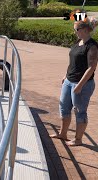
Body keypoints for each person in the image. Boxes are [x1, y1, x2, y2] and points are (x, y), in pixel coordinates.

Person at [50, 18, 98, 146]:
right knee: (64, 108)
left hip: (82, 84)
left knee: (79, 111)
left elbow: (92, 67)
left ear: (84, 30)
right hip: (69, 81)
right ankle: (63, 134)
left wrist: (79, 86)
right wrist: (66, 76)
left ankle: (78, 139)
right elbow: (73, 62)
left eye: (76, 29)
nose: (75, 32)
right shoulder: (79, 42)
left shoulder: (92, 46)